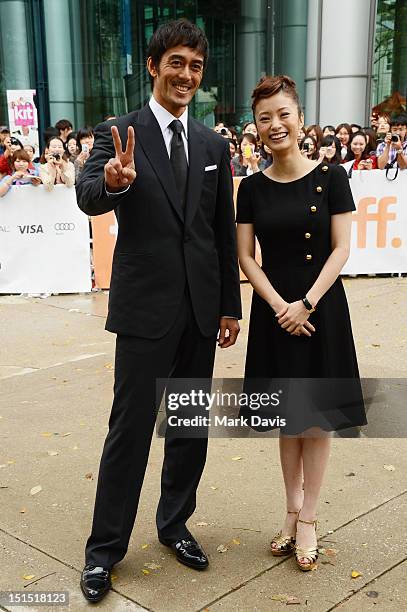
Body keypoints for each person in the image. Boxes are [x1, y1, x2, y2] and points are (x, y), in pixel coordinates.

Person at [76, 19, 241, 603]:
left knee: (189, 427)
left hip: (201, 310)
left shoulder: (214, 144)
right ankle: (104, 552)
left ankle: (174, 525)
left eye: (196, 67)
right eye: (176, 63)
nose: (187, 75)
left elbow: (220, 233)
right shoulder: (118, 131)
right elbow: (88, 192)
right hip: (145, 310)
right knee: (130, 431)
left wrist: (229, 306)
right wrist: (115, 182)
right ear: (153, 66)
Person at [236, 75, 366, 573]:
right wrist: (278, 307)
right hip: (275, 313)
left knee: (318, 419)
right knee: (287, 420)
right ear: (256, 127)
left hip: (321, 309)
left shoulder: (332, 177)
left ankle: (309, 518)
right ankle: (291, 511)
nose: (275, 125)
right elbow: (246, 258)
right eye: (265, 117)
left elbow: (341, 248)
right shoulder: (250, 187)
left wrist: (306, 303)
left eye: (283, 114)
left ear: (300, 117)